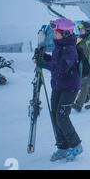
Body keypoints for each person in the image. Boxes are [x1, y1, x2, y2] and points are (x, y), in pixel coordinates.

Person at [35, 18, 83, 162]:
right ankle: (63, 146)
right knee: (54, 116)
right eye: (54, 32)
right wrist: (43, 56)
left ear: (66, 33)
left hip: (70, 88)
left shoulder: (70, 49)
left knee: (62, 117)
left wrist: (44, 63)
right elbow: (56, 62)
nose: (54, 34)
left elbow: (61, 68)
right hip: (58, 86)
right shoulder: (59, 47)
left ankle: (76, 145)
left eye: (57, 32)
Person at [73, 22, 90, 112]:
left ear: (87, 30)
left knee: (84, 84)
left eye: (82, 29)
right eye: (80, 29)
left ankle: (78, 104)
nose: (80, 31)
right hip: (84, 65)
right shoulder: (83, 39)